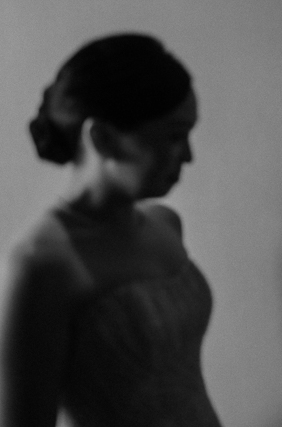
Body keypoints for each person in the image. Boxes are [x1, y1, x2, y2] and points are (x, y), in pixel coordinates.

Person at [0, 34, 222, 426]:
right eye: (174, 136)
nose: (188, 156)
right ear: (102, 137)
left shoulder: (166, 224)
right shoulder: (41, 265)